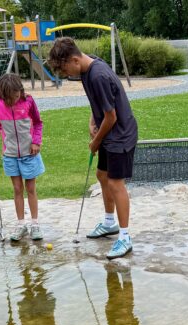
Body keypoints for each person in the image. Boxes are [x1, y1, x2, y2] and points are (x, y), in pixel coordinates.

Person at [48, 37, 138, 259]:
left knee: (116, 183)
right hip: (109, 133)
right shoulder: (89, 67)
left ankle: (125, 237)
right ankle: (109, 223)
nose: (66, 74)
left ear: (75, 59)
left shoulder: (97, 75)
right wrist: (92, 122)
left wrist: (96, 140)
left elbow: (112, 116)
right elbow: (100, 104)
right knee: (101, 175)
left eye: (65, 69)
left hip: (120, 135)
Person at [0, 73, 45, 242]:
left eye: (16, 96)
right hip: (10, 154)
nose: (14, 100)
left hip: (29, 153)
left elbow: (38, 123)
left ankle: (35, 224)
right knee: (17, 189)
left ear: (20, 91)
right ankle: (21, 225)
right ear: (3, 95)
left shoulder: (28, 101)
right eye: (10, 98)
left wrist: (36, 142)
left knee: (31, 189)